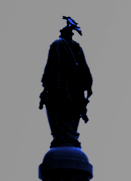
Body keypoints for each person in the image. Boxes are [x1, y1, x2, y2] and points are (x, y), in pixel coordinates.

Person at [40, 17, 93, 148]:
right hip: (74, 90)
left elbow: (49, 69)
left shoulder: (57, 45)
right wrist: (88, 86)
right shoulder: (73, 47)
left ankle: (65, 136)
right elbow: (85, 69)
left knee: (63, 115)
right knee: (69, 115)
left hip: (61, 90)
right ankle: (67, 136)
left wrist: (47, 84)